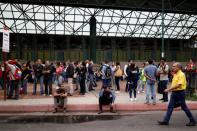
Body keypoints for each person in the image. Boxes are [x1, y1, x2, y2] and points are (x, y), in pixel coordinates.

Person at [158, 62, 196, 126]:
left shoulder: (181, 74)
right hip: (174, 93)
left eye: (174, 66)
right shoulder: (176, 74)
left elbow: (179, 85)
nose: (172, 67)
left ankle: (192, 120)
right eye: (173, 66)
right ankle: (166, 121)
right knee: (170, 107)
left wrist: (168, 89)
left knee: (184, 107)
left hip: (180, 93)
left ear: (178, 67)